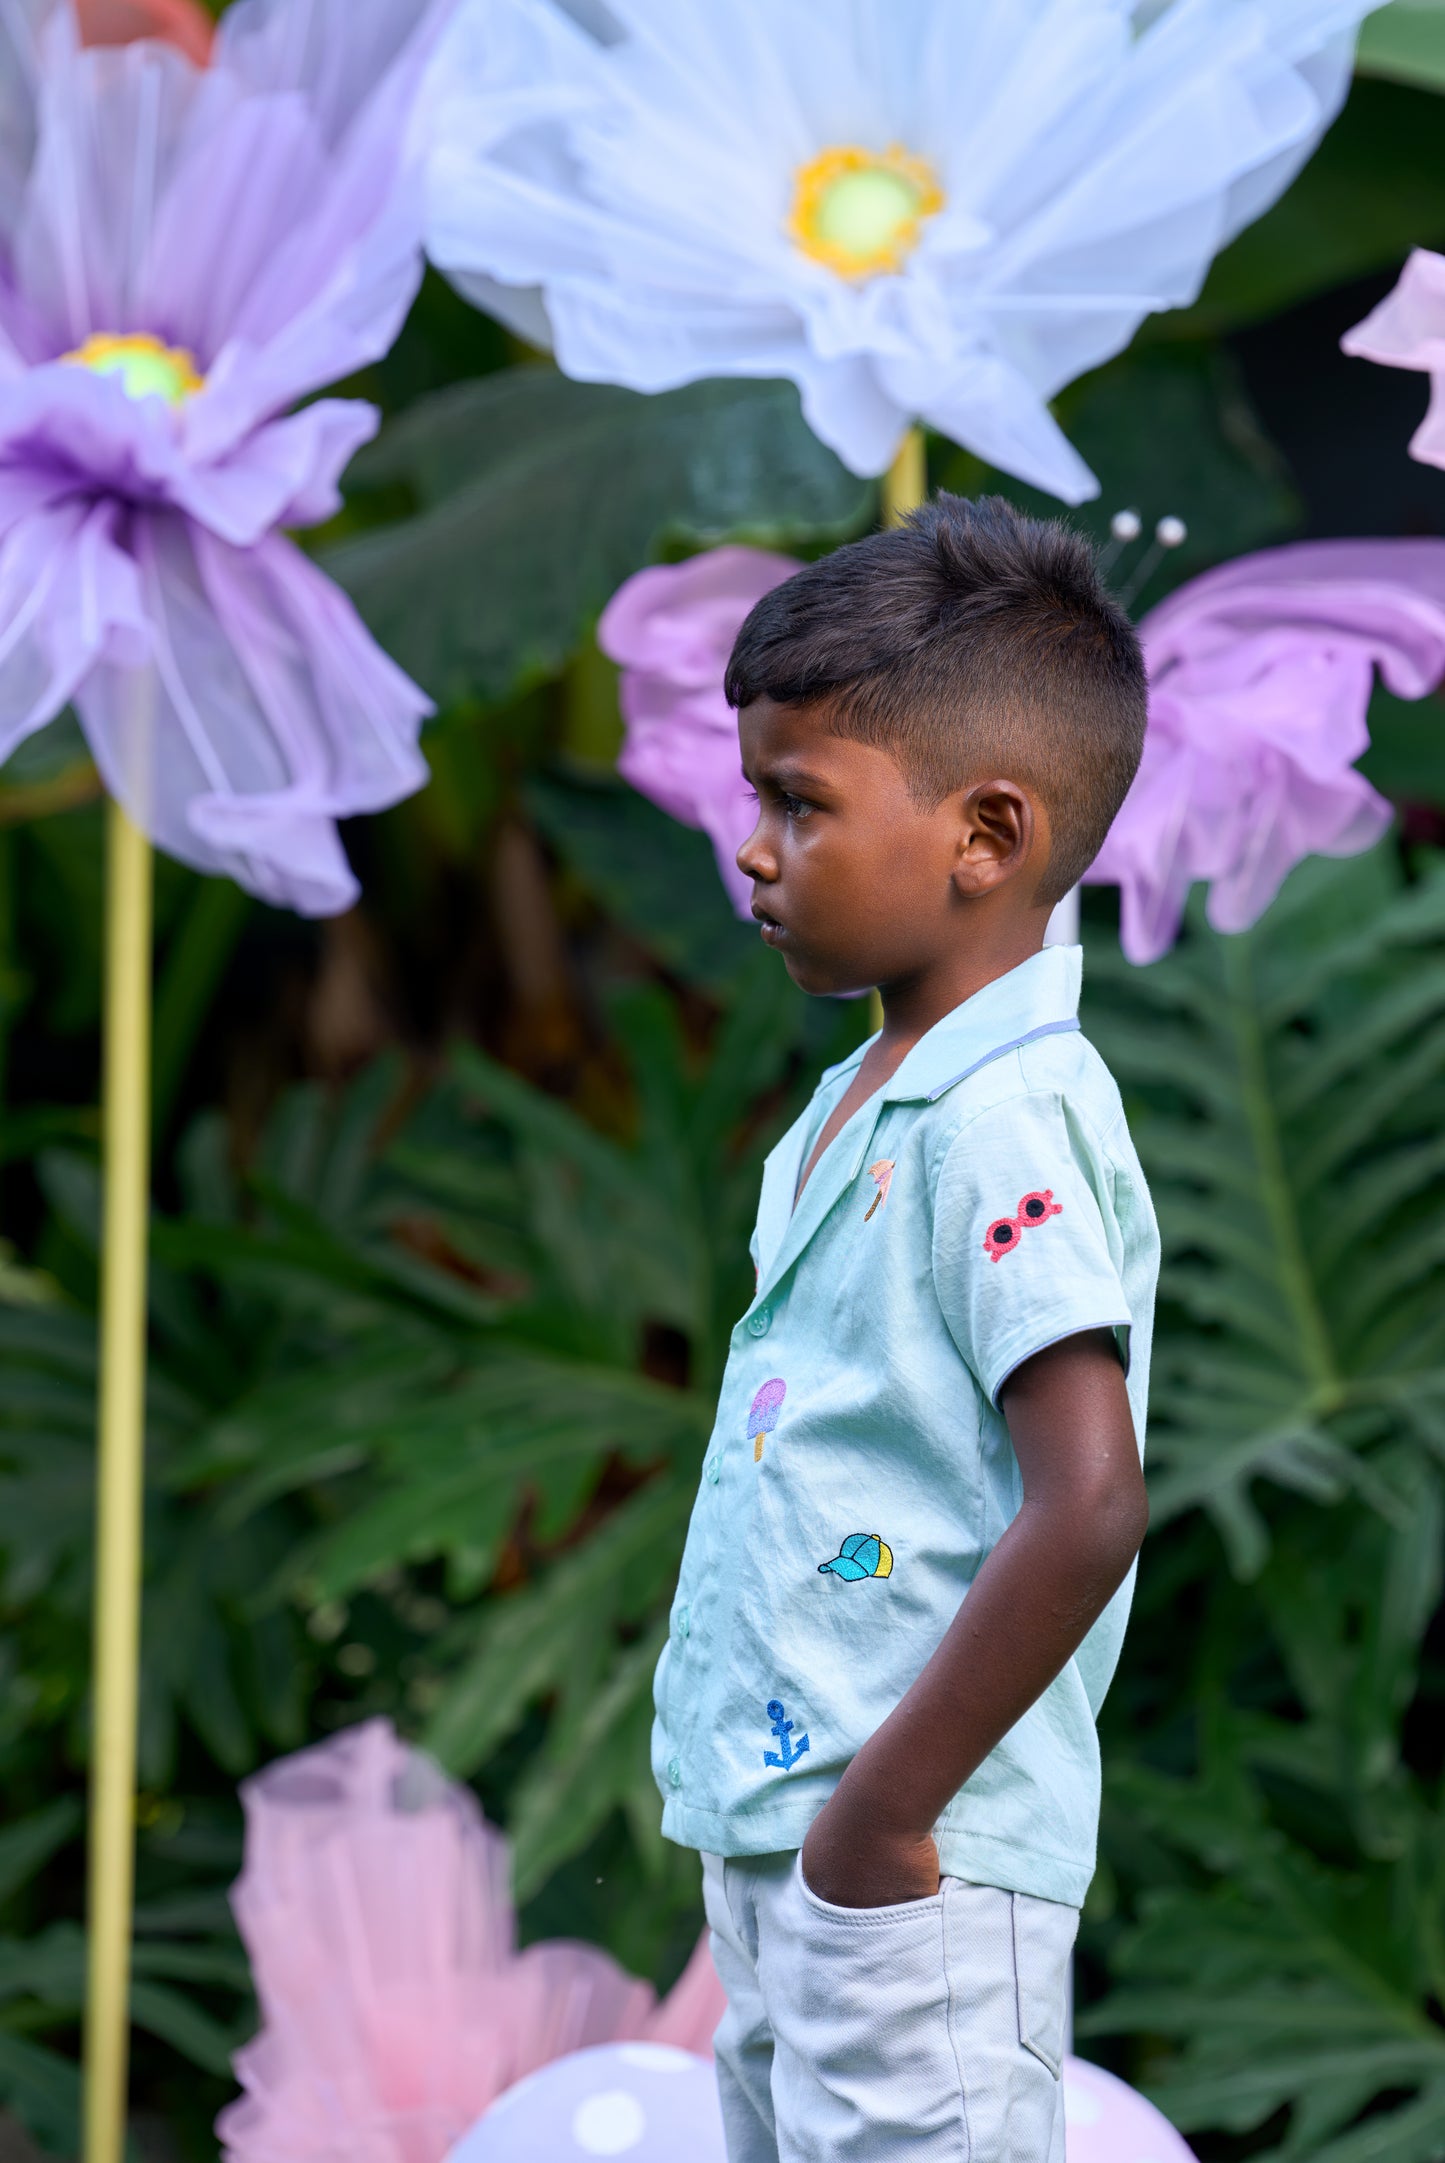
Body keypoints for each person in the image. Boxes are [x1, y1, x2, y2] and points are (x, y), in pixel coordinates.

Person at [650, 493, 1160, 2163]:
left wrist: (880, 1817)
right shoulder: (858, 1107)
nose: (752, 849)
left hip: (909, 1859)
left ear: (985, 835)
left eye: (798, 802)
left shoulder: (1002, 1119)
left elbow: (1086, 1500)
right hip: (792, 1840)